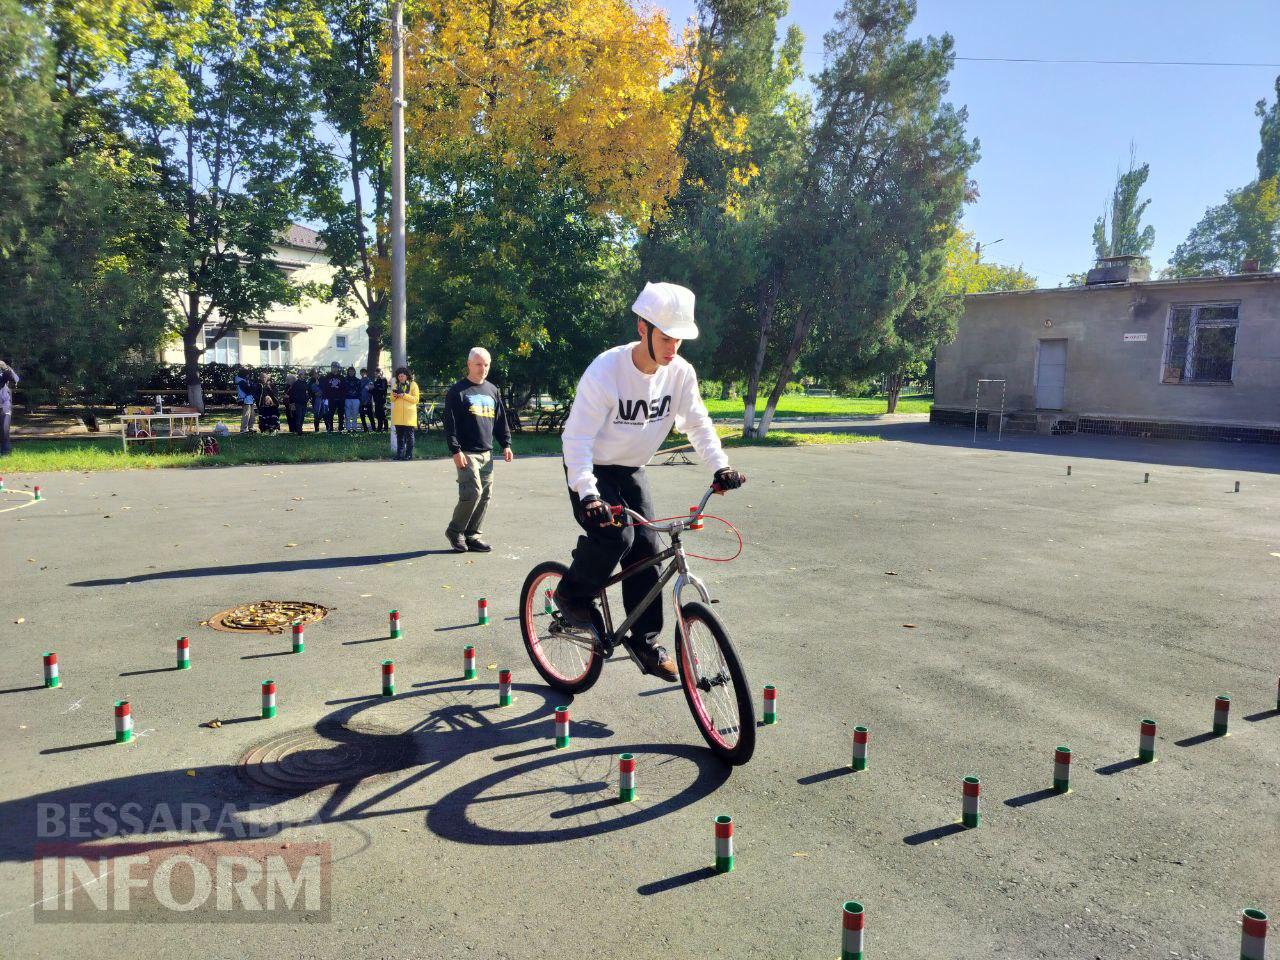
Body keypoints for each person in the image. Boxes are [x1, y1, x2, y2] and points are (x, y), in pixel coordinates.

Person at [553, 282, 746, 681]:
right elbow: (577, 439)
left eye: (679, 339)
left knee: (647, 548)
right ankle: (571, 594)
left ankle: (644, 640)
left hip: (632, 469)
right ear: (643, 328)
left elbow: (698, 423)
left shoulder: (680, 374)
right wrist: (587, 493)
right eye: (665, 337)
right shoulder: (606, 370)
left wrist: (719, 466)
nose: (672, 347)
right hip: (592, 467)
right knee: (616, 538)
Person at [443, 347, 513, 553]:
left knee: (485, 495)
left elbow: (501, 420)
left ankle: (472, 535)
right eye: (478, 364)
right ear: (469, 365)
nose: (483, 369)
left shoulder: (492, 389)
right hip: (466, 453)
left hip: (487, 452)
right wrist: (455, 450)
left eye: (486, 365)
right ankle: (455, 531)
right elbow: (450, 424)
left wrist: (506, 444)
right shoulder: (458, 391)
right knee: (472, 492)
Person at [390, 367, 419, 460]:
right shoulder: (395, 385)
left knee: (409, 436)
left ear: (406, 376)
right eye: (399, 376)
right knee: (400, 436)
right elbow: (391, 399)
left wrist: (404, 395)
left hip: (409, 415)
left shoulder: (413, 385)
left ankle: (409, 455)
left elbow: (416, 399)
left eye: (402, 376)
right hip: (398, 415)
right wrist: (394, 395)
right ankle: (400, 454)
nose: (400, 378)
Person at [0, 358, 18, 456]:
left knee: (4, 430)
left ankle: (5, 452)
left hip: (4, 406)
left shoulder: (5, 371)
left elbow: (15, 379)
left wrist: (5, 368)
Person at [321, 362, 345, 432]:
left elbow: (344, 388)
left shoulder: (341, 377)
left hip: (340, 399)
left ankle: (340, 429)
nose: (334, 369)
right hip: (330, 399)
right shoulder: (327, 377)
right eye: (333, 367)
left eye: (336, 367)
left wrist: (342, 397)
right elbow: (324, 388)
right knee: (330, 414)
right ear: (331, 368)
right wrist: (326, 397)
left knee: (341, 415)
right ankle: (330, 428)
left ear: (338, 368)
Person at [343, 366, 363, 433]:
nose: (351, 372)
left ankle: (354, 428)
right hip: (347, 399)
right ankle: (348, 429)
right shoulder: (345, 380)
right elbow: (344, 389)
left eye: (352, 371)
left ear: (354, 372)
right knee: (347, 415)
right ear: (348, 372)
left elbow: (360, 390)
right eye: (350, 371)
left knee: (355, 414)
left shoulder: (358, 380)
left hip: (356, 399)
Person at [359, 368, 375, 432]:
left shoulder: (369, 381)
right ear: (360, 373)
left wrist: (368, 400)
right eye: (362, 372)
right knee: (362, 416)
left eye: (364, 372)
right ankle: (365, 429)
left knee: (370, 416)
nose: (363, 374)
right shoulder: (359, 381)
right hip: (361, 402)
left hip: (368, 402)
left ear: (366, 373)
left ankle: (373, 428)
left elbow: (372, 390)